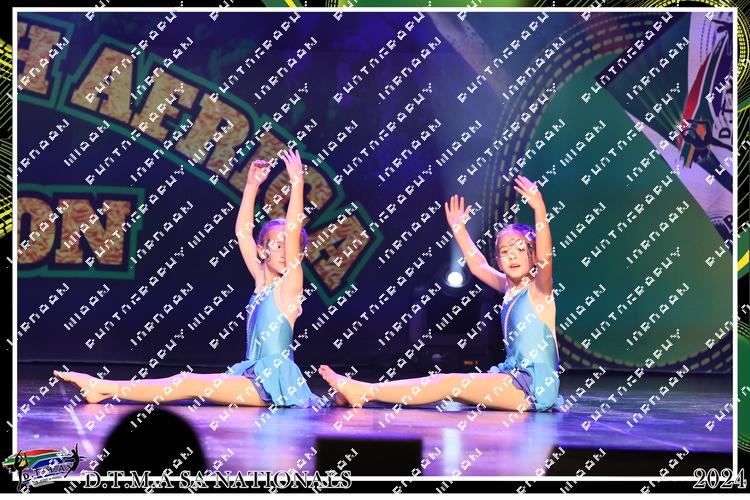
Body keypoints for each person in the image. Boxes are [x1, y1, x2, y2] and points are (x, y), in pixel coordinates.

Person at [54, 148, 341, 408]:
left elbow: (293, 229)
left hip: (275, 384)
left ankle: (102, 387)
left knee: (187, 382)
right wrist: (252, 185)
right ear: (262, 249)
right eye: (276, 245)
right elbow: (242, 232)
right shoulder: (261, 282)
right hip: (253, 376)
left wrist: (297, 183)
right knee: (188, 384)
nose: (284, 252)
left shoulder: (289, 288)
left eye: (289, 248)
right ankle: (102, 389)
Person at [319, 175, 565, 412]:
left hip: (534, 385)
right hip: (513, 376)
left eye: (520, 249)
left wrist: (539, 209)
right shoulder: (509, 289)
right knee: (451, 386)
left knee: (449, 383)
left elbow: (546, 259)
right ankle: (362, 392)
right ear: (498, 261)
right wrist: (459, 230)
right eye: (504, 252)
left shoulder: (539, 290)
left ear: (533, 255)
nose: (512, 256)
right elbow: (478, 265)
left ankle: (364, 391)